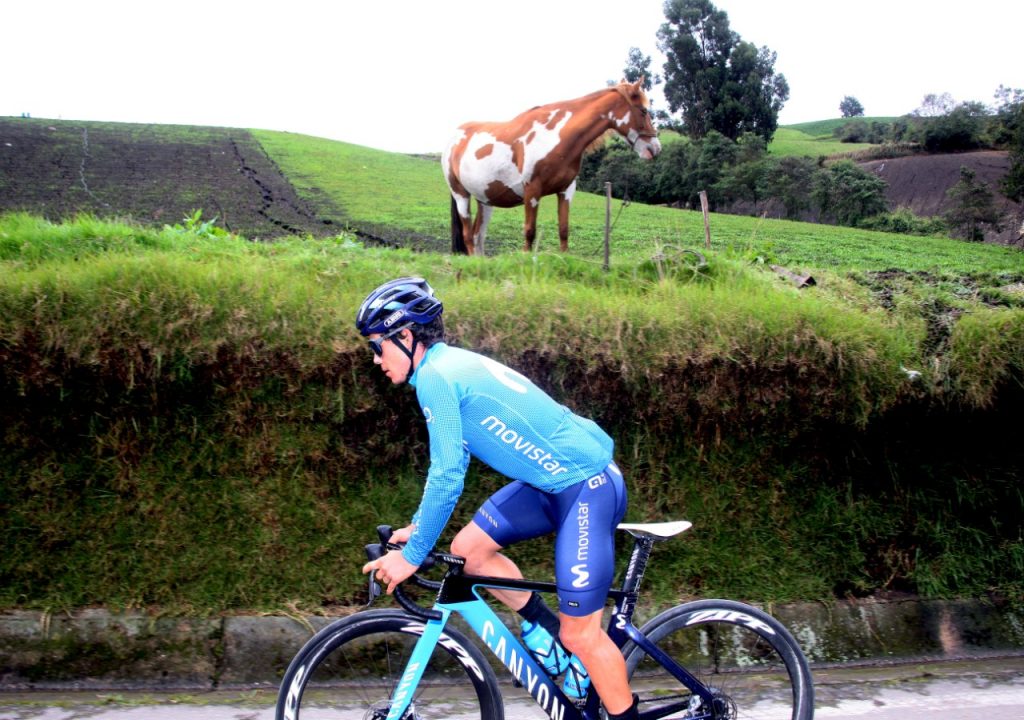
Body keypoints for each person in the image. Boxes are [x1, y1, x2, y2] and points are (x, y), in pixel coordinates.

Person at [357, 276, 639, 719]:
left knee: (583, 634)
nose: (375, 359)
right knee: (468, 551)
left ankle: (583, 662)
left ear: (406, 336)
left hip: (587, 487)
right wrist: (417, 528)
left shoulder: (436, 377)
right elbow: (453, 466)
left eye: (376, 346)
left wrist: (412, 556)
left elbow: (447, 476)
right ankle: (549, 638)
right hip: (553, 485)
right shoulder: (443, 368)